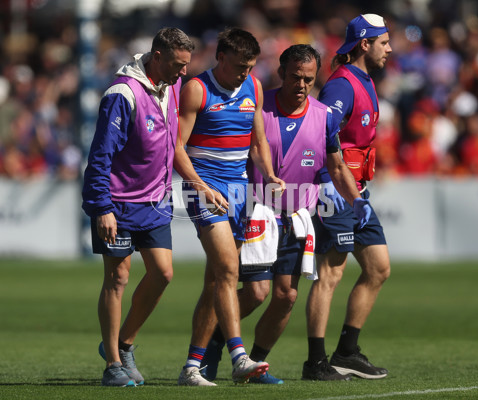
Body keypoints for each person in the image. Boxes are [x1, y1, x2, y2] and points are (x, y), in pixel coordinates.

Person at [199, 44, 373, 384]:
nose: (302, 84)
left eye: (309, 78)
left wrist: (358, 200)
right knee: (256, 292)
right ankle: (214, 342)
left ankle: (257, 363)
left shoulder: (324, 117)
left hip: (297, 215)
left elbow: (337, 168)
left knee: (286, 296)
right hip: (257, 211)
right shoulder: (258, 111)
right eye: (295, 77)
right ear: (282, 73)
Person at [81, 27, 194, 387]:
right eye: (178, 64)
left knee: (163, 273)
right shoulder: (122, 94)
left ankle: (123, 342)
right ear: (157, 56)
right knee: (118, 278)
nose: (184, 73)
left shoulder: (172, 83)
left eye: (187, 65)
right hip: (118, 202)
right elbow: (100, 156)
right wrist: (102, 207)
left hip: (156, 201)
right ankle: (113, 364)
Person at [173, 27, 286, 386]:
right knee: (227, 269)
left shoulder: (253, 87)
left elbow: (258, 140)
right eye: (239, 66)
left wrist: (267, 173)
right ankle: (239, 356)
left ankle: (192, 367)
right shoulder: (196, 89)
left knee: (215, 283)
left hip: (240, 190)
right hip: (204, 187)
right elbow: (177, 148)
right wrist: (201, 187)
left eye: (250, 66)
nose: (245, 73)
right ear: (221, 58)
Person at [304, 13, 392, 380]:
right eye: (384, 42)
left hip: (357, 191)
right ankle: (315, 362)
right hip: (336, 191)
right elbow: (321, 135)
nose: (390, 49)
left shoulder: (364, 80)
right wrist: (329, 186)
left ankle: (347, 352)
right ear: (365, 44)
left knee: (378, 268)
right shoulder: (342, 85)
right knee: (331, 273)